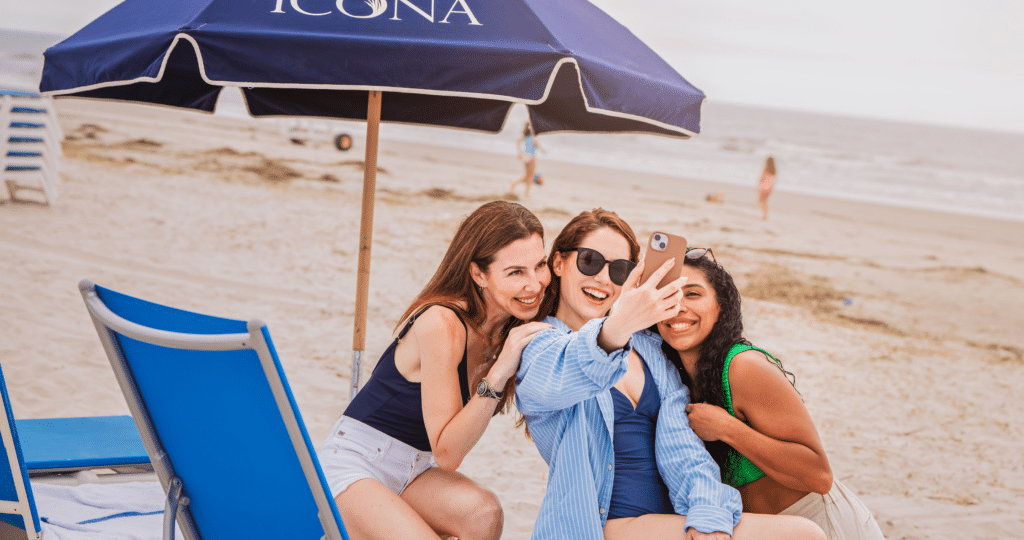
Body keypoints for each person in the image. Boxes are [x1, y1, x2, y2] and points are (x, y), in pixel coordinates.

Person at [516, 209, 824, 540]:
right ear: (559, 264)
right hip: (600, 525)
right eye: (590, 261)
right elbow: (554, 381)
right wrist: (617, 325)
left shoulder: (648, 349)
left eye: (620, 270)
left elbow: (685, 450)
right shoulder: (540, 344)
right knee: (802, 535)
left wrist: (709, 514)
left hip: (670, 521)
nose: (604, 279)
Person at [318, 201, 553, 540]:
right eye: (515, 272)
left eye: (540, 265)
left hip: (414, 469)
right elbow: (448, 454)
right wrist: (499, 372)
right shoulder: (441, 323)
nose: (534, 284)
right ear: (478, 274)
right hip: (355, 464)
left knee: (484, 514)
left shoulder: (509, 325)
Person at [657, 248, 885, 540]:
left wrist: (728, 429)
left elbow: (819, 475)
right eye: (668, 296)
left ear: (720, 307)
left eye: (692, 294)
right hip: (760, 531)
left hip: (818, 524)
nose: (679, 307)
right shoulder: (671, 379)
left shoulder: (743, 367)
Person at [511, 123, 544, 198]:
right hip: (531, 157)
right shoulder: (534, 135)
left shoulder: (526, 135)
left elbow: (518, 142)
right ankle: (525, 192)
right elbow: (536, 144)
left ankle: (515, 185)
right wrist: (542, 150)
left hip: (525, 156)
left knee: (527, 175)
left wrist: (519, 152)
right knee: (530, 176)